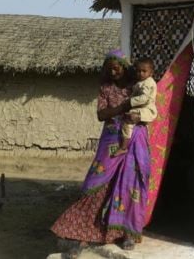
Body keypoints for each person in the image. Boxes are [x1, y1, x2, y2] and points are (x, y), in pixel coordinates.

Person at [51, 50, 151, 254]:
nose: (113, 71)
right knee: (96, 183)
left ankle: (127, 233)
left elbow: (150, 108)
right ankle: (79, 229)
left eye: (117, 67)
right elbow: (101, 114)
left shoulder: (138, 86)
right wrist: (124, 107)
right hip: (112, 139)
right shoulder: (106, 88)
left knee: (131, 184)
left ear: (125, 67)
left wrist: (137, 115)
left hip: (136, 138)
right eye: (110, 69)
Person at [114, 58, 157, 156]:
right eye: (138, 71)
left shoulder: (148, 83)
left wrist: (130, 101)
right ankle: (127, 147)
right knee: (129, 122)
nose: (141, 73)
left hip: (147, 110)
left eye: (144, 71)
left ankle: (124, 147)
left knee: (128, 121)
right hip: (141, 109)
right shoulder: (140, 83)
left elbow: (144, 98)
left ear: (151, 72)